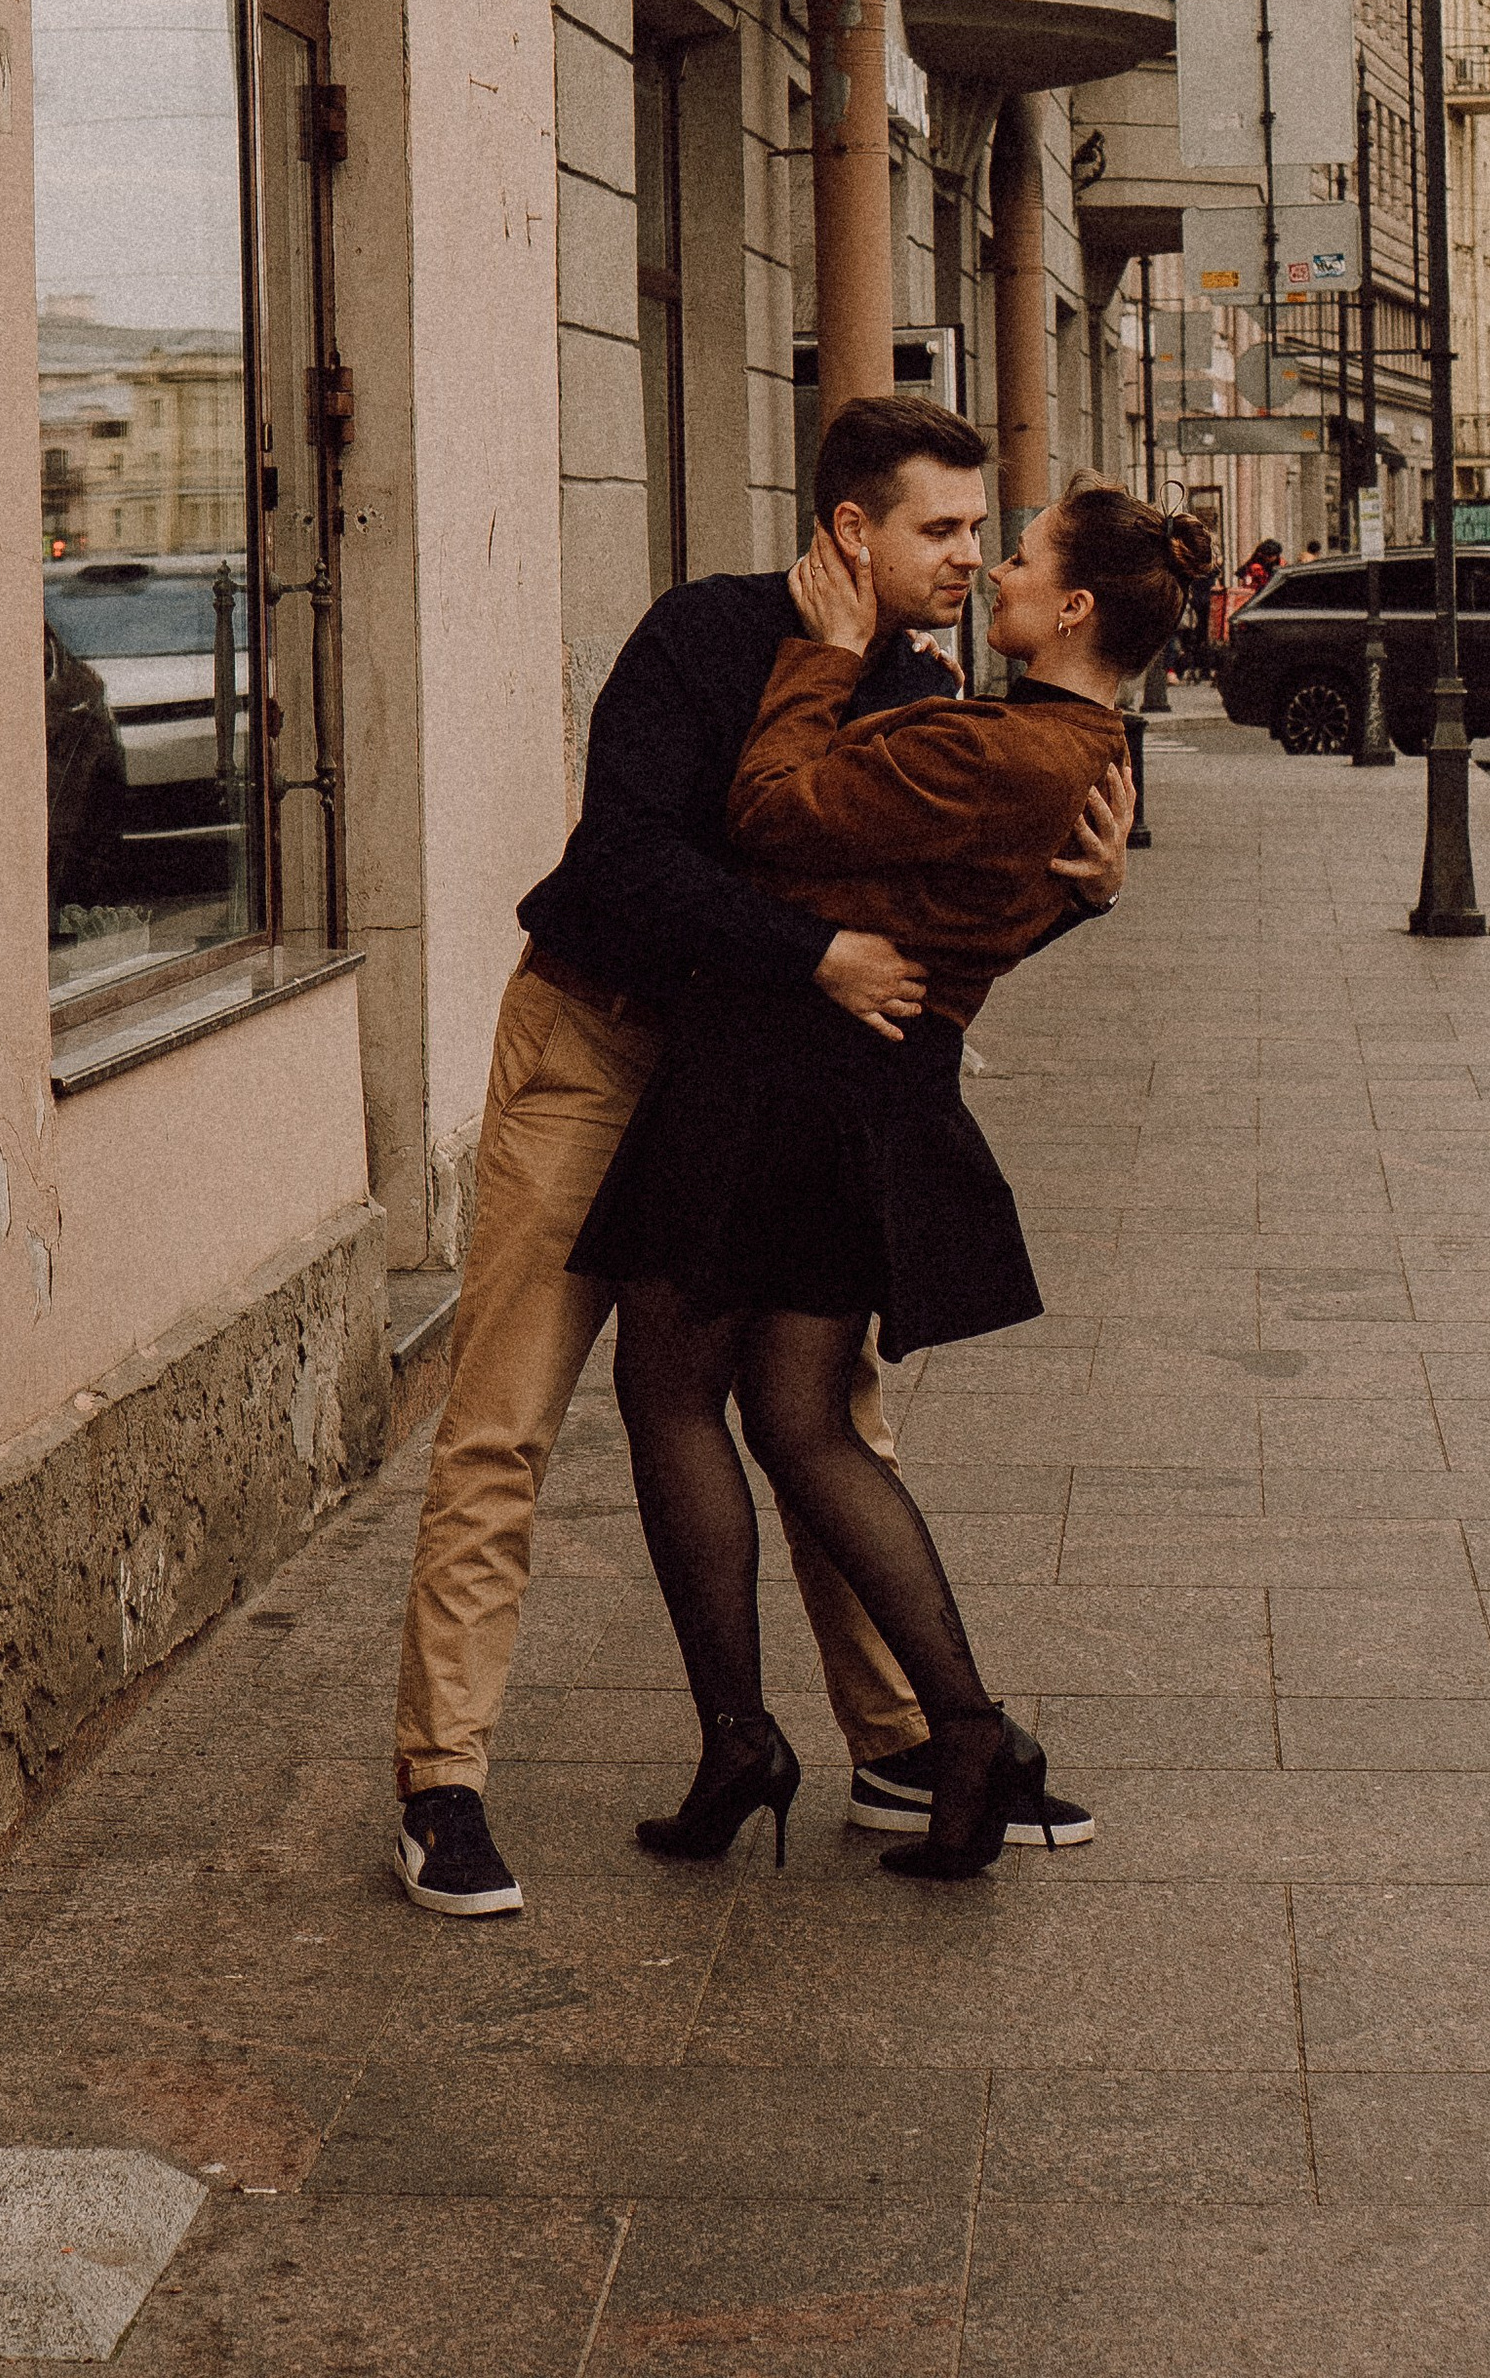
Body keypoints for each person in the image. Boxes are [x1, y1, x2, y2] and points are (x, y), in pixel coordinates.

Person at [389, 397, 1132, 1921]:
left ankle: (900, 1746)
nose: (966, 558)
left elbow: (938, 901)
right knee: (505, 1417)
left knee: (823, 1414)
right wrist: (811, 955)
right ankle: (440, 1780)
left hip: (752, 1079)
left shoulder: (924, 682)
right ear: (851, 529)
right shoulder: (704, 638)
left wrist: (1075, 896)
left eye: (984, 534)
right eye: (941, 530)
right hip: (598, 1046)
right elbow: (631, 859)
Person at [574, 486, 1213, 1880]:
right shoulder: (1081, 756)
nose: (997, 573)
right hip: (852, 1101)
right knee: (802, 1423)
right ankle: (964, 1739)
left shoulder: (1013, 749)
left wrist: (815, 648)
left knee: (673, 1395)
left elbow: (769, 805)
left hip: (770, 1087)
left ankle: (762, 1737)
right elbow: (970, 921)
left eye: (1025, 558)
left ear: (1077, 610)